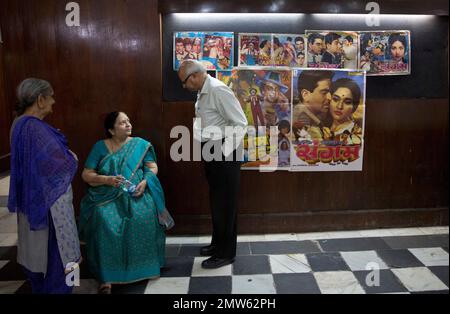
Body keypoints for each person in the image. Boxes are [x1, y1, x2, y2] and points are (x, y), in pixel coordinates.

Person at [78, 111, 171, 293]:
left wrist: (145, 183)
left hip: (136, 192)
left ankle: (146, 267)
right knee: (103, 218)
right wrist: (107, 180)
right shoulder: (100, 147)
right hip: (106, 194)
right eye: (122, 123)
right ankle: (107, 277)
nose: (128, 124)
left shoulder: (140, 145)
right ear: (111, 130)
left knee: (144, 212)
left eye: (128, 121)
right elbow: (86, 174)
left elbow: (151, 167)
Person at [8, 78, 81, 294]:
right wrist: (72, 158)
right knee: (58, 260)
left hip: (34, 201)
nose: (53, 102)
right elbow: (59, 163)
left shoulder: (18, 124)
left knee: (39, 259)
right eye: (50, 97)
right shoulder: (33, 127)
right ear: (40, 99)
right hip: (49, 209)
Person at [177, 60, 247, 269]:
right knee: (218, 202)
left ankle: (226, 253)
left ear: (195, 76)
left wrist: (223, 154)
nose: (183, 87)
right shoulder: (202, 92)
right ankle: (218, 245)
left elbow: (241, 123)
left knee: (226, 204)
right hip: (212, 150)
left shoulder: (218, 90)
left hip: (225, 151)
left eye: (184, 82)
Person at [292, 70, 334, 141]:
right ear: (305, 95)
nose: (330, 98)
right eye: (324, 93)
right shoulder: (300, 110)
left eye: (330, 92)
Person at [325, 78, 363, 145]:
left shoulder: (356, 133)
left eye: (347, 102)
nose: (339, 106)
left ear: (355, 106)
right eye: (335, 99)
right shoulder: (322, 126)